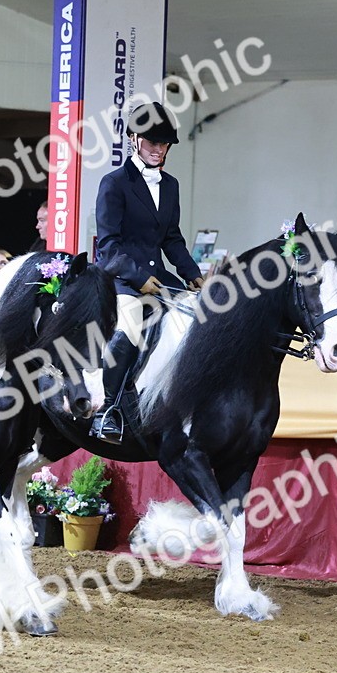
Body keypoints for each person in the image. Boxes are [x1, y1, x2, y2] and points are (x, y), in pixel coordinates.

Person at [93, 101, 204, 443]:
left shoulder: (170, 185)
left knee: (202, 317)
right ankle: (107, 409)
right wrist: (139, 278)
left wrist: (194, 276)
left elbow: (171, 239)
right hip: (121, 279)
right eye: (152, 142)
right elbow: (108, 246)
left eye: (163, 143)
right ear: (134, 139)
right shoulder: (114, 183)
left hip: (159, 277)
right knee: (129, 326)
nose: (158, 149)